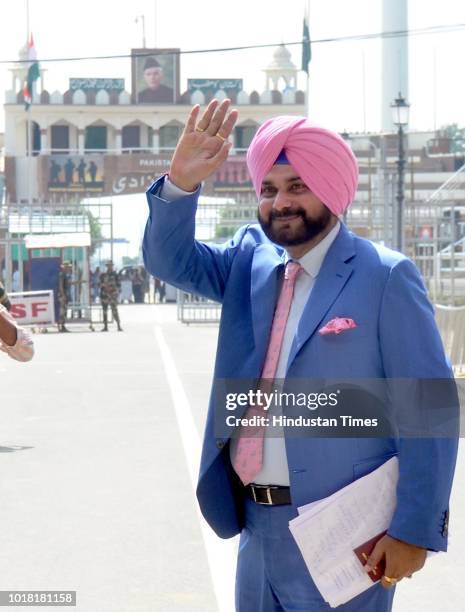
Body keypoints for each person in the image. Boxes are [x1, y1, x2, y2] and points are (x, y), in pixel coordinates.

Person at [142, 99, 458, 611]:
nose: (280, 202)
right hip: (255, 529)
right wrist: (180, 182)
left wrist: (414, 531)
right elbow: (167, 259)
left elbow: (430, 412)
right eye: (268, 189)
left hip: (346, 536)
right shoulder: (249, 261)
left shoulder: (385, 277)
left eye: (297, 186)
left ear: (332, 190)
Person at [99, 261, 123, 332]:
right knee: (105, 311)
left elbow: (119, 285)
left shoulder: (115, 275)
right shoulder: (103, 275)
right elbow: (100, 285)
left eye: (110, 265)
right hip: (105, 295)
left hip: (113, 295)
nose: (109, 267)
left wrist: (115, 291)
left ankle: (118, 325)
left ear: (112, 266)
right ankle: (105, 326)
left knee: (114, 311)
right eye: (108, 265)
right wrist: (104, 286)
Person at [57, 261, 72, 332]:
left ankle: (62, 326)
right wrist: (63, 295)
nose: (68, 268)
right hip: (63, 295)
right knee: (62, 311)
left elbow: (68, 284)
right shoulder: (62, 274)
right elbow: (60, 286)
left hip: (65, 294)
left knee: (64, 311)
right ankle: (62, 326)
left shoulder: (65, 275)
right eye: (67, 267)